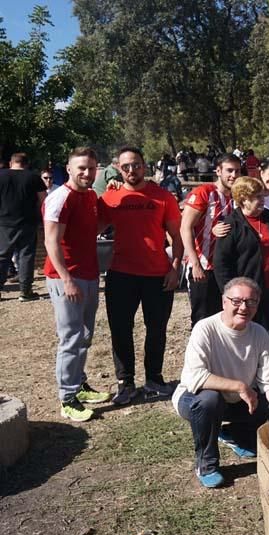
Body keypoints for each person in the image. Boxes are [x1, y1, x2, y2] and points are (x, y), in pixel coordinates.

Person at [172, 277, 269, 488]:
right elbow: (194, 377)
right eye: (236, 301)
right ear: (224, 301)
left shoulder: (260, 334)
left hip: (237, 401)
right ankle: (206, 463)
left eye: (251, 302)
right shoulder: (205, 328)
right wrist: (240, 386)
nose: (244, 307)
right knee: (209, 400)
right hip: (195, 398)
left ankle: (232, 434)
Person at [99, 147, 183, 405]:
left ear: (144, 166)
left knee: (156, 329)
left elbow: (177, 236)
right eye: (125, 167)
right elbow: (93, 226)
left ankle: (154, 379)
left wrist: (175, 267)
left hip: (157, 274)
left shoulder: (162, 196)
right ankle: (125, 383)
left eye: (135, 165)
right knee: (120, 330)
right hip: (121, 274)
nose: (131, 171)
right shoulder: (110, 198)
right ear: (118, 169)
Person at [43, 147, 112, 422]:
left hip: (89, 273)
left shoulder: (91, 196)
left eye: (92, 168)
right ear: (69, 169)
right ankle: (67, 397)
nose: (87, 173)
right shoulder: (60, 197)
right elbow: (50, 241)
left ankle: (79, 384)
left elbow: (95, 226)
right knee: (71, 337)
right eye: (81, 168)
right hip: (66, 277)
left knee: (84, 334)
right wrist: (67, 279)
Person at [214, 177, 269, 360]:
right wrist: (231, 295)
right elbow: (221, 263)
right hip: (247, 295)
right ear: (243, 199)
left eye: (262, 196)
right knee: (248, 333)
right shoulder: (231, 224)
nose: (262, 200)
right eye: (257, 197)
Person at [180, 154, 240, 326]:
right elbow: (185, 227)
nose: (233, 175)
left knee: (226, 317)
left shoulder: (236, 196)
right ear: (218, 170)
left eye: (237, 171)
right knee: (202, 319)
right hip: (204, 265)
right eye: (229, 170)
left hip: (226, 267)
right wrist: (196, 263)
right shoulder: (204, 192)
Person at [0, 152, 45, 301]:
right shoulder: (33, 177)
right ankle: (25, 292)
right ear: (26, 164)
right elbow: (43, 200)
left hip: (4, 222)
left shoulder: (1, 175)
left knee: (2, 256)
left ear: (11, 163)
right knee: (26, 256)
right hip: (28, 222)